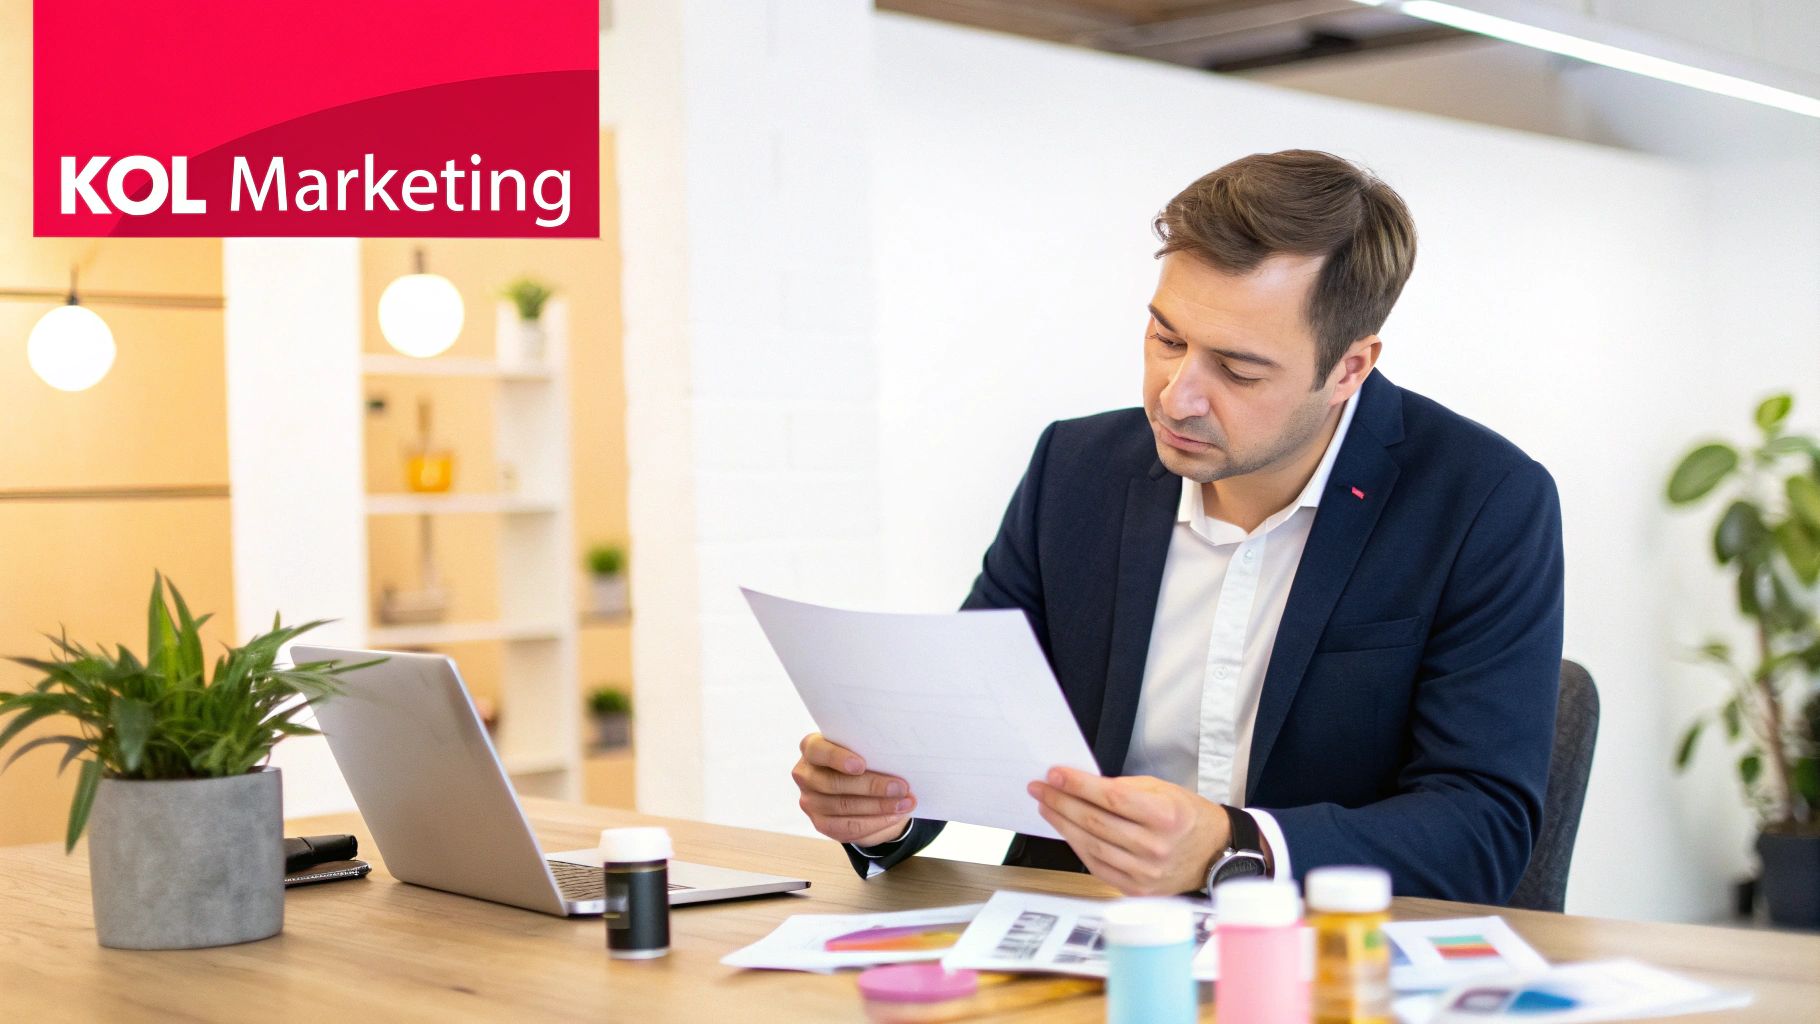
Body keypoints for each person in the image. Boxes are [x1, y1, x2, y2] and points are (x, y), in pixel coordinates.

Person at [788, 150, 1564, 904]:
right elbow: (970, 728)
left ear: (1349, 370)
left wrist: (1237, 846)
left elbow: (1481, 828)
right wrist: (884, 809)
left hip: (1318, 953)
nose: (1176, 395)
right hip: (1079, 936)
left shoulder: (1484, 501)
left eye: (1237, 369)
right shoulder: (1076, 468)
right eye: (1167, 339)